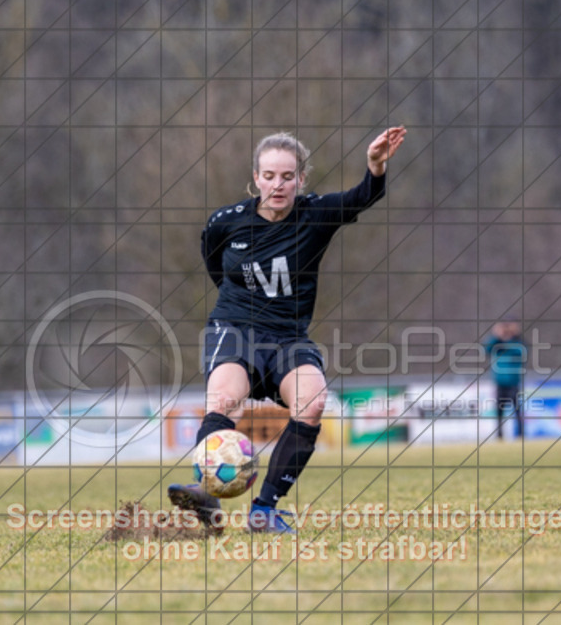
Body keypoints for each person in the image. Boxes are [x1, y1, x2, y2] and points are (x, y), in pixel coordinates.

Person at [169, 126, 408, 534]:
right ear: (255, 177)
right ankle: (205, 491)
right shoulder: (226, 222)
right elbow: (215, 265)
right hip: (235, 327)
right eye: (269, 175)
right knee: (224, 398)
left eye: (287, 176)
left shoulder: (314, 215)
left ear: (301, 179)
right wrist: (241, 305)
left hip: (288, 336)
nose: (277, 185)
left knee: (313, 404)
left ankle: (263, 509)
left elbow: (362, 197)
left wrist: (375, 166)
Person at [483, 317, 527, 440]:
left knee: (517, 411)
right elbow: (486, 349)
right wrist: (496, 336)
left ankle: (521, 435)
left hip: (514, 382)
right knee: (499, 412)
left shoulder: (517, 343)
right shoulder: (496, 344)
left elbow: (523, 351)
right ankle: (499, 436)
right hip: (500, 382)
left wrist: (515, 336)